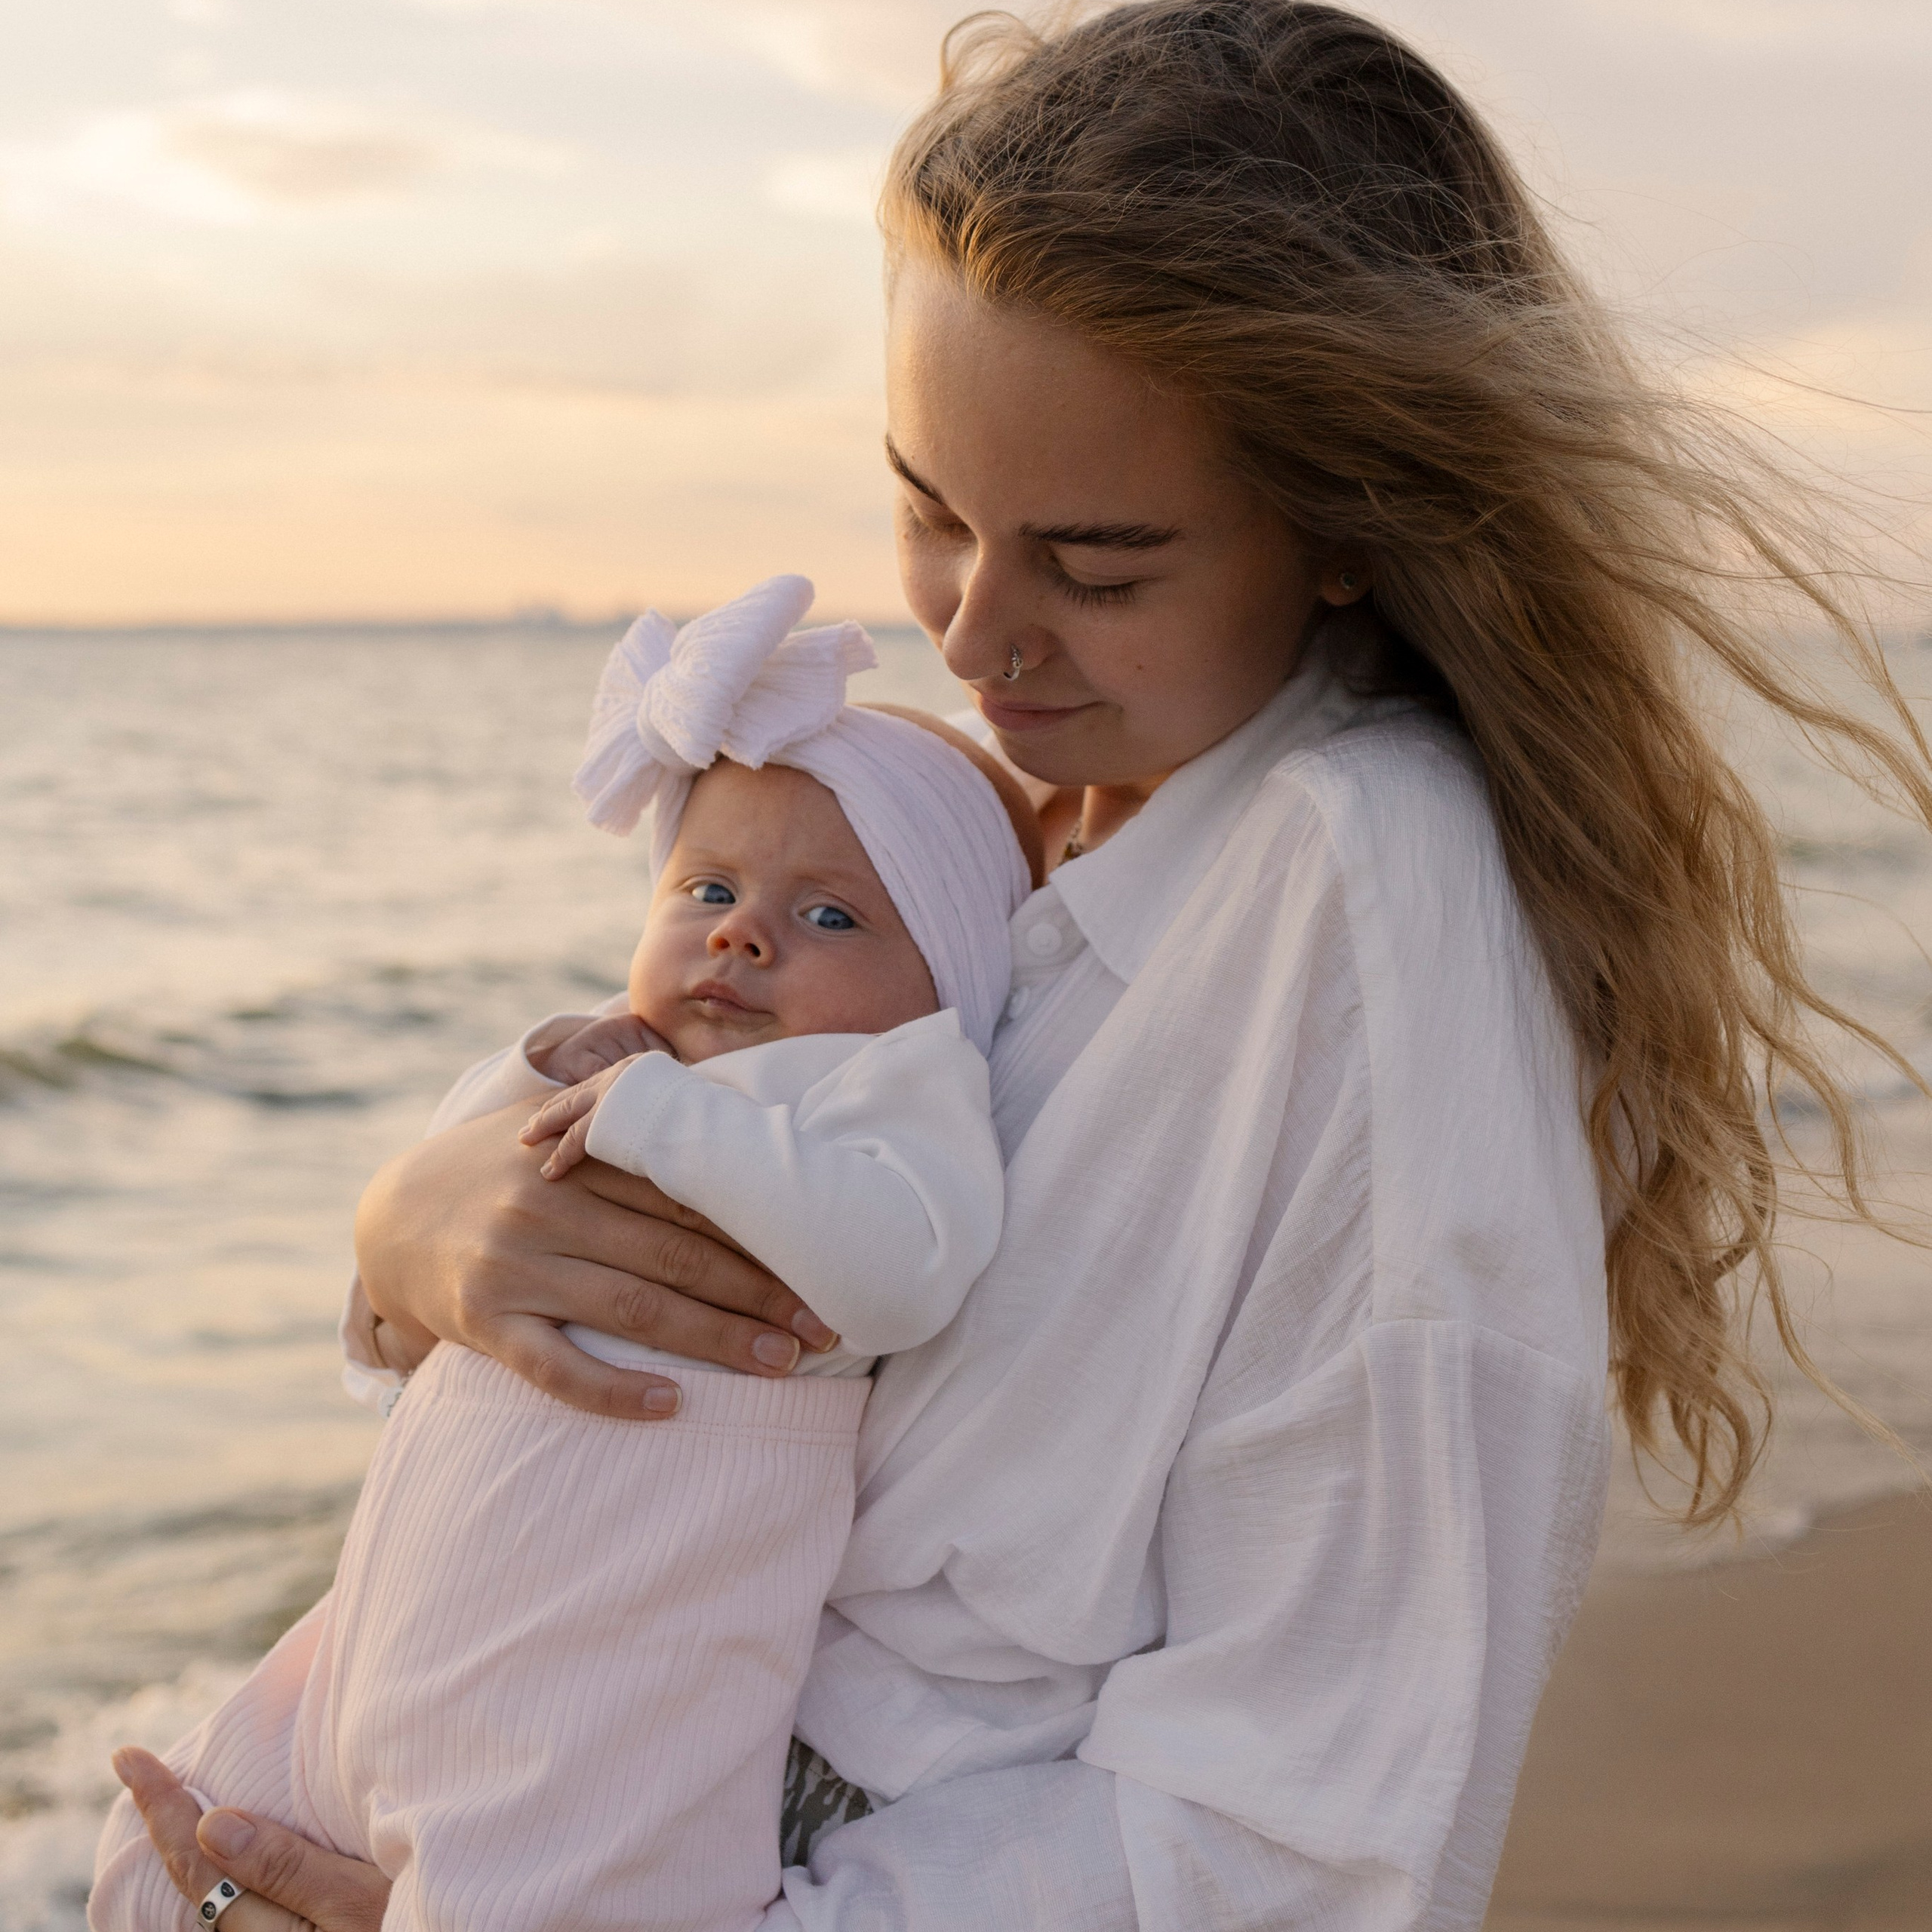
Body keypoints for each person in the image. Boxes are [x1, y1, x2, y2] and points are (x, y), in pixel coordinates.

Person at [114, 4, 1932, 1928]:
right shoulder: (1027, 826)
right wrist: (413, 1232)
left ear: (1344, 526)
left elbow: (1308, 1830)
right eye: (928, 510)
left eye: (1098, 562)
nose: (975, 637)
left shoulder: (1368, 916)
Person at [92, 576, 1036, 1932]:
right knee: (160, 1852)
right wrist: (543, 1065)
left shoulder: (886, 1088)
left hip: (588, 1692)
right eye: (706, 887)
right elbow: (433, 1214)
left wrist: (660, 1119)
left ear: (945, 982)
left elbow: (906, 1268)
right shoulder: (635, 1051)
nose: (741, 933)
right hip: (385, 1622)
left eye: (830, 916)